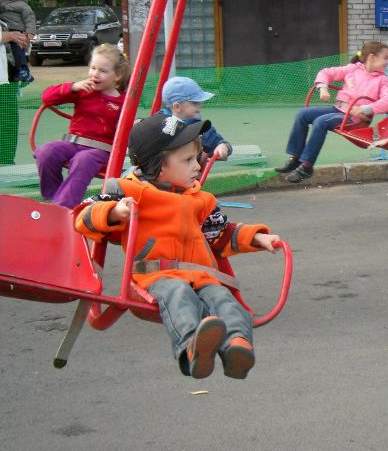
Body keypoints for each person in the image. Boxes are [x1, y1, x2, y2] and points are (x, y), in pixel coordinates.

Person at [74, 114, 281, 379]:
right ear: (158, 165)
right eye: (188, 160)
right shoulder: (129, 192)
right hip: (157, 274)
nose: (197, 165)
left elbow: (219, 234)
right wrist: (114, 212)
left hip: (202, 274)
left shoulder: (201, 199)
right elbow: (83, 217)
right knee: (179, 296)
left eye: (196, 157)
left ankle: (237, 347)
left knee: (224, 300)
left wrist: (257, 238)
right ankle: (192, 348)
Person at [275, 40, 388, 183]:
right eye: (386, 58)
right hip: (337, 109)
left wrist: (365, 108)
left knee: (321, 122)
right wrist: (323, 88)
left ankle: (306, 165)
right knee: (302, 114)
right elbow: (325, 72)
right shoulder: (352, 69)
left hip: (352, 117)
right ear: (371, 57)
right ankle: (295, 157)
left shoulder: (382, 80)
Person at [34, 43, 129, 207]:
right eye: (93, 68)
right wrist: (72, 87)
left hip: (101, 151)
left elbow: (127, 130)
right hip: (73, 143)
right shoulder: (84, 91)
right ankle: (51, 197)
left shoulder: (123, 102)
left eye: (103, 71)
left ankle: (64, 206)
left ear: (118, 75)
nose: (95, 74)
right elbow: (47, 97)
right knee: (46, 152)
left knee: (82, 159)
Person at [158, 76, 232, 161]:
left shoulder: (201, 129)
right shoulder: (157, 125)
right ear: (177, 107)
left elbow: (220, 142)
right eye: (195, 102)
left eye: (200, 102)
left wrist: (223, 147)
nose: (200, 105)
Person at [0, 0, 36, 84]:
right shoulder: (2, 2)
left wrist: (30, 32)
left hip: (18, 32)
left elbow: (30, 18)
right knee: (12, 54)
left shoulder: (23, 5)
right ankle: (20, 73)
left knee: (18, 51)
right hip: (8, 33)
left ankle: (24, 72)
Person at [0, 22, 28, 164]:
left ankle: (6, 162)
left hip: (7, 81)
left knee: (8, 124)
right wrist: (8, 36)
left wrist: (22, 41)